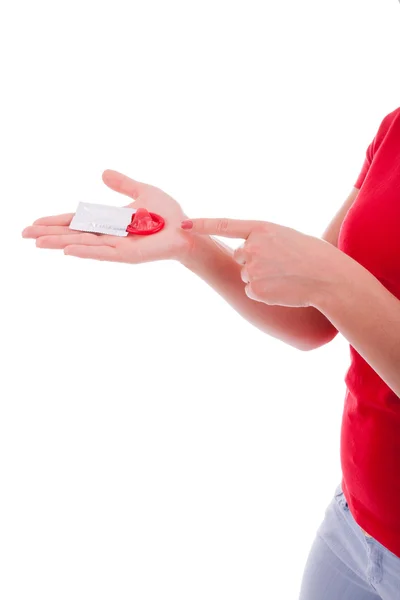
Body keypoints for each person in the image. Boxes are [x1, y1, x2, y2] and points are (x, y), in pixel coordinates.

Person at [22, 106, 400, 599]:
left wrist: (335, 278)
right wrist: (188, 244)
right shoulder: (395, 128)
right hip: (355, 528)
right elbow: (311, 318)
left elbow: (332, 284)